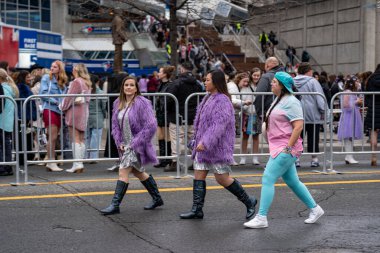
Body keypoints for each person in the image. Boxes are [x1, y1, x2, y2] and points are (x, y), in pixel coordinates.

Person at [244, 72, 324, 229]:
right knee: (293, 182)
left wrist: (288, 147)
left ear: (282, 85)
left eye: (274, 82)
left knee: (268, 178)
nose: (271, 84)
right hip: (279, 147)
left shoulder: (292, 102)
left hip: (286, 148)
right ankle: (315, 209)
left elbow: (298, 126)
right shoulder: (279, 100)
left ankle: (261, 217)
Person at [179, 70, 257, 220]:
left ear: (216, 82)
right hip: (202, 147)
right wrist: (198, 141)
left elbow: (219, 125)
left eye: (207, 80)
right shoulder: (208, 97)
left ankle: (249, 202)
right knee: (198, 176)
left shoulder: (222, 100)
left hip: (216, 147)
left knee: (222, 179)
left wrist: (205, 141)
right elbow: (202, 123)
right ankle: (197, 209)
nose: (205, 82)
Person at [100, 76, 163, 215]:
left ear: (136, 88)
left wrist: (136, 142)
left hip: (136, 145)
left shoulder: (142, 103)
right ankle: (157, 198)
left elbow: (151, 125)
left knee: (123, 171)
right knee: (138, 172)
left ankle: (115, 204)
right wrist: (119, 141)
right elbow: (115, 126)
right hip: (125, 145)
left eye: (131, 85)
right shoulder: (118, 102)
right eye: (126, 85)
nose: (128, 87)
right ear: (123, 87)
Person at [165, 62, 203, 172]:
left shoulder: (176, 83)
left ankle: (175, 163)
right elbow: (200, 100)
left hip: (178, 116)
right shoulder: (197, 84)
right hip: (193, 116)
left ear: (182, 69)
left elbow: (169, 99)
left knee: (176, 140)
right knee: (193, 139)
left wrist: (168, 110)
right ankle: (197, 160)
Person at [60, 64, 91, 173]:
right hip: (84, 110)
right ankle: (79, 163)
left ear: (76, 70)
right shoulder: (87, 82)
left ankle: (77, 164)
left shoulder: (76, 81)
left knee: (75, 137)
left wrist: (63, 107)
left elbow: (69, 97)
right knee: (81, 138)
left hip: (75, 111)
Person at [294, 62, 325, 167]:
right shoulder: (313, 82)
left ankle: (296, 159)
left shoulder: (293, 81)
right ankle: (314, 159)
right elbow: (320, 97)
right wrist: (323, 110)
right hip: (312, 113)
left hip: (297, 112)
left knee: (297, 137)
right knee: (313, 136)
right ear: (308, 71)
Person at [39, 60, 68, 172]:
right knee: (52, 136)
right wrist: (56, 102)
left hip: (59, 110)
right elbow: (43, 93)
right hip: (49, 108)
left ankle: (51, 161)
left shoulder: (62, 80)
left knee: (55, 137)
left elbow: (64, 96)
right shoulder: (47, 78)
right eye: (51, 66)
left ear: (60, 69)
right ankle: (51, 161)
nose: (52, 68)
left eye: (55, 67)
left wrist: (64, 104)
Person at [337, 76, 363, 164]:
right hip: (349, 116)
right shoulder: (348, 92)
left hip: (351, 115)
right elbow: (345, 105)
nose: (357, 84)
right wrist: (356, 102)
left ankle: (349, 156)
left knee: (350, 136)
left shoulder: (351, 92)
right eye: (356, 82)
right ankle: (349, 156)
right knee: (348, 136)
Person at [154, 66, 175, 168]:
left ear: (165, 74)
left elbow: (167, 100)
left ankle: (168, 159)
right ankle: (162, 159)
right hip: (160, 112)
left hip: (166, 113)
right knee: (160, 136)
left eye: (160, 72)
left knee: (167, 136)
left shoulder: (170, 85)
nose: (158, 73)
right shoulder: (160, 84)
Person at [240, 68, 262, 165]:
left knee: (256, 137)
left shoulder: (262, 86)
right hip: (247, 113)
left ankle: (255, 158)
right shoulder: (246, 86)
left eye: (258, 75)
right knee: (245, 136)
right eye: (254, 75)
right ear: (251, 75)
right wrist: (245, 104)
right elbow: (242, 96)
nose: (256, 77)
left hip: (257, 114)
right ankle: (243, 157)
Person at [0, 69, 19, 176]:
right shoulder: (11, 88)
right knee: (6, 145)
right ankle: (8, 166)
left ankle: (2, 167)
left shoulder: (3, 89)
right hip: (8, 122)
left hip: (1, 120)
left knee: (2, 146)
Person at [86, 74, 107, 162]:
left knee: (86, 137)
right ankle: (93, 157)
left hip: (87, 117)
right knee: (96, 138)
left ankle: (85, 156)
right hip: (98, 117)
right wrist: (104, 115)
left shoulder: (86, 92)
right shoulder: (101, 93)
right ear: (98, 82)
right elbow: (104, 106)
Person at [364, 64, 380, 166]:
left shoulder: (370, 79)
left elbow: (367, 95)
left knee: (373, 132)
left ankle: (373, 157)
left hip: (373, 108)